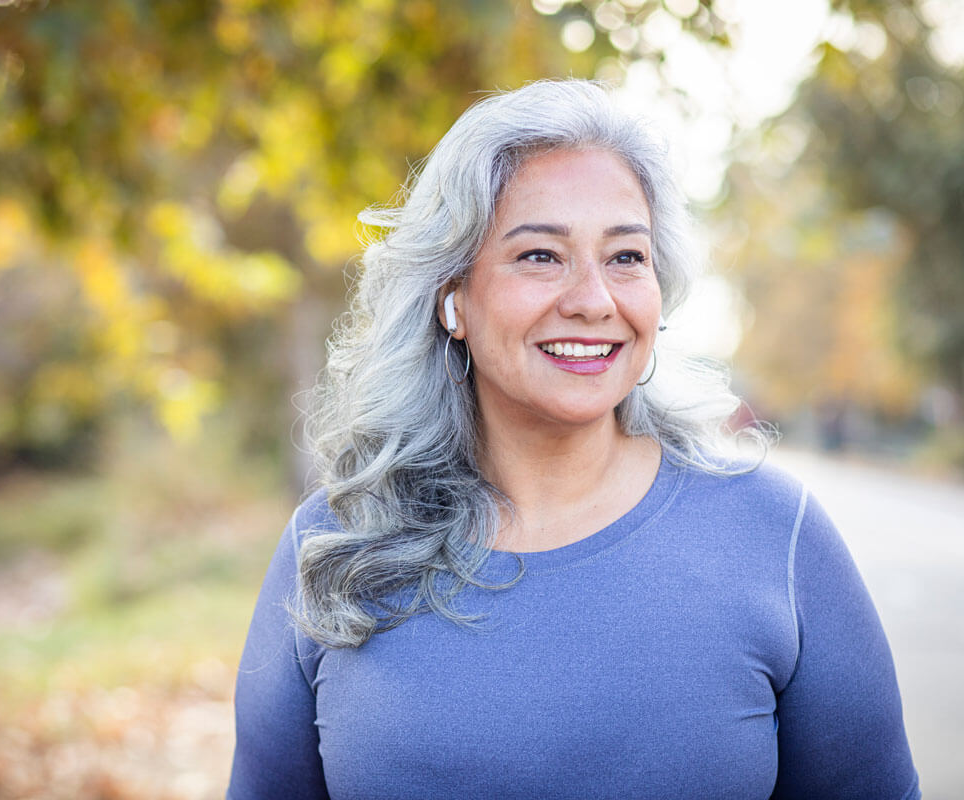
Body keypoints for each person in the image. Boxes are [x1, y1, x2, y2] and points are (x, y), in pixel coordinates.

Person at [227, 80, 919, 799]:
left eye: (626, 257)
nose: (593, 300)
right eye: (540, 256)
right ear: (451, 297)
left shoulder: (776, 533)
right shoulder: (336, 546)